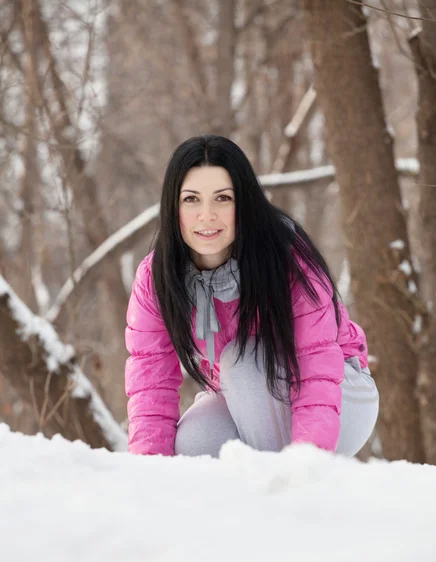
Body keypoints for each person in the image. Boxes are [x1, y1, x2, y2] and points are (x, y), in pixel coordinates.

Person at [124, 134, 379, 459]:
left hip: (340, 393)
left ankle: (281, 496)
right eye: (191, 199)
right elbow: (151, 382)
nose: (206, 214)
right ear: (173, 206)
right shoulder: (157, 276)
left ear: (242, 202)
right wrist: (150, 473)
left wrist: (308, 463)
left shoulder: (285, 255)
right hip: (246, 396)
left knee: (241, 361)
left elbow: (316, 364)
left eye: (222, 198)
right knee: (194, 445)